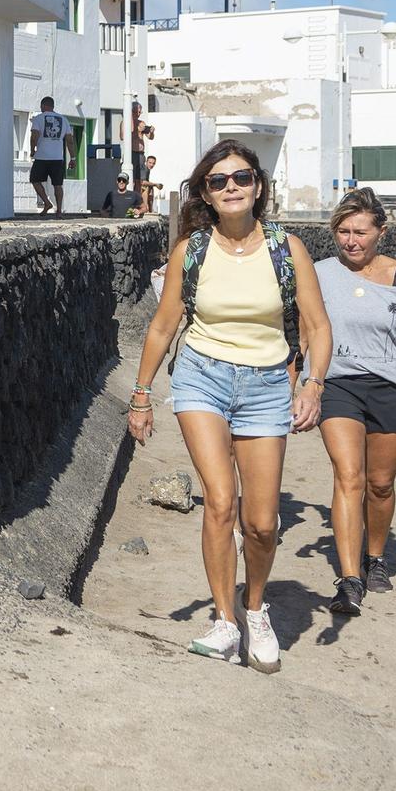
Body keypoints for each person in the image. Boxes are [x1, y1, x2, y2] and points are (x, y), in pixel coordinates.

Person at [127, 139, 332, 674]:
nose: (231, 187)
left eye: (240, 177)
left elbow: (317, 326)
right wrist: (142, 395)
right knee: (221, 499)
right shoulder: (191, 250)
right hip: (202, 379)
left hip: (267, 385)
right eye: (218, 181)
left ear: (258, 186)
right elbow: (164, 325)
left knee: (262, 523)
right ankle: (222, 620)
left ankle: (255, 608)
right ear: (206, 194)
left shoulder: (288, 249)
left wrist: (312, 385)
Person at [310, 188, 396, 615]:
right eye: (343, 232)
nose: (351, 241)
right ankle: (349, 580)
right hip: (339, 384)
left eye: (360, 232)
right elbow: (304, 328)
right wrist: (298, 381)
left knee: (380, 485)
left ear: (380, 232)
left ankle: (376, 557)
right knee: (349, 476)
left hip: (390, 389)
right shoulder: (321, 273)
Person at [28, 96, 75, 214]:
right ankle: (59, 210)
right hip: (57, 158)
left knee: (35, 180)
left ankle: (46, 202)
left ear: (43, 106)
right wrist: (73, 157)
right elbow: (69, 140)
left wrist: (32, 150)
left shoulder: (38, 119)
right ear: (53, 106)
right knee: (58, 185)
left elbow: (34, 136)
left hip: (42, 157)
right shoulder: (63, 120)